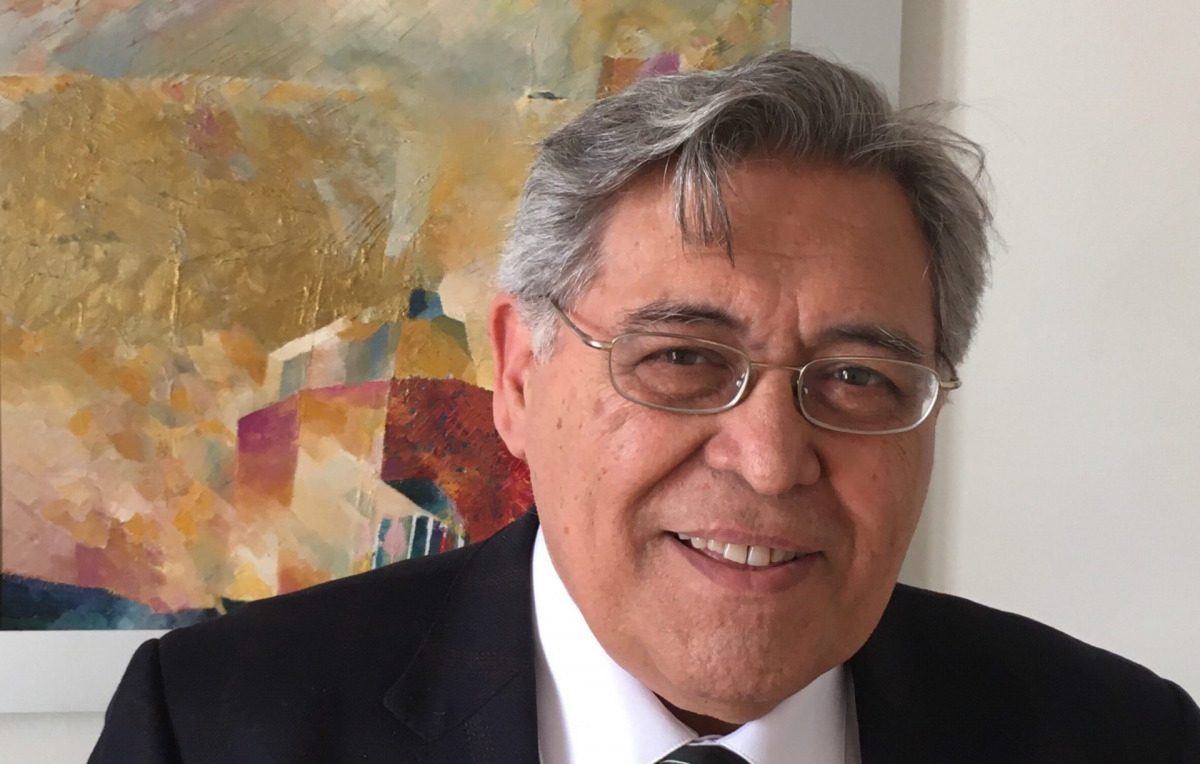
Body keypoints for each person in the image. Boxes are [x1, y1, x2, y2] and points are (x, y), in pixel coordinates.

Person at [90, 50, 1199, 764]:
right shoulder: (214, 727)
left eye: (858, 377)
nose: (770, 459)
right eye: (680, 357)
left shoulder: (1125, 738)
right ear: (518, 377)